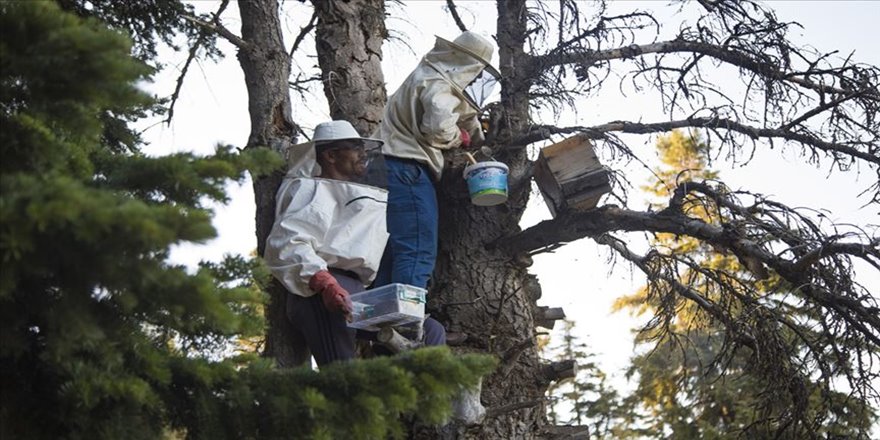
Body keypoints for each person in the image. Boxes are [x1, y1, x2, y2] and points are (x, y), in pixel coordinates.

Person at [264, 120, 445, 367]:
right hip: (320, 291)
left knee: (430, 330)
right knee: (344, 377)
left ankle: (418, 402)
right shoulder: (312, 189)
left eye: (363, 148)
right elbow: (289, 242)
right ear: (330, 155)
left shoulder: (353, 193)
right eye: (354, 148)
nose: (363, 154)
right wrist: (325, 284)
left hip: (360, 292)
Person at [374, 31, 500, 289]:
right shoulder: (439, 84)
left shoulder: (428, 76)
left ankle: (381, 322)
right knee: (416, 248)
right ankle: (404, 324)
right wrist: (460, 137)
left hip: (383, 167)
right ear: (472, 65)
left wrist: (478, 136)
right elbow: (439, 127)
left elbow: (464, 114)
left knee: (388, 253)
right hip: (406, 168)